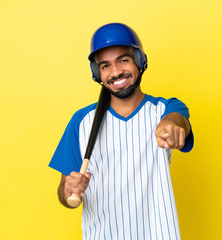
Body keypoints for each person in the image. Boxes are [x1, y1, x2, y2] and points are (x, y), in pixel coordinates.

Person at [49, 23, 194, 239]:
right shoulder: (81, 121)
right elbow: (65, 194)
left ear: (139, 61)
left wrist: (171, 124)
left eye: (123, 60)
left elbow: (178, 120)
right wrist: (68, 190)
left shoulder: (165, 110)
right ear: (97, 72)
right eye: (105, 66)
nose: (116, 72)